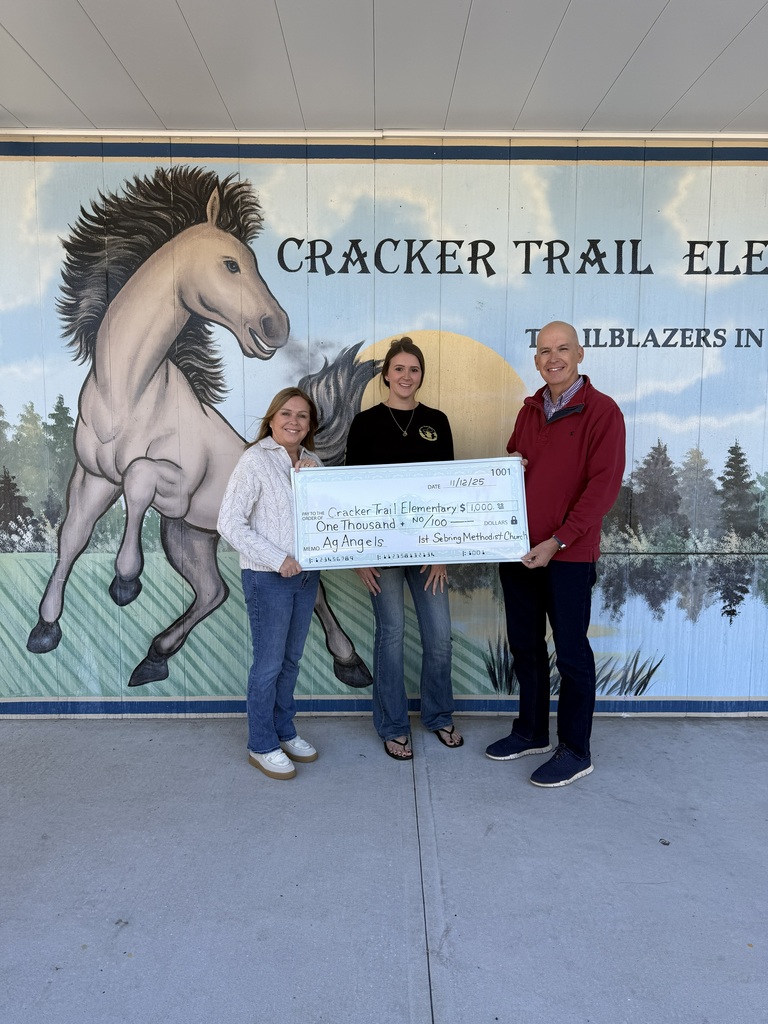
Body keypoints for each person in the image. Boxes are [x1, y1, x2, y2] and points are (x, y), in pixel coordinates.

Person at [486, 321, 625, 787]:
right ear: (536, 359)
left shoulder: (602, 412)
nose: (553, 358)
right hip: (519, 551)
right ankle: (530, 731)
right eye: (544, 350)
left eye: (562, 349)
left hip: (567, 555)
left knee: (570, 653)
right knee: (524, 645)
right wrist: (512, 466)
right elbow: (515, 463)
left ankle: (575, 749)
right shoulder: (530, 411)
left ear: (580, 354)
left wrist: (558, 540)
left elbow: (602, 489)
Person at [345, 337, 463, 760]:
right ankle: (393, 725)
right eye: (399, 369)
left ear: (421, 376)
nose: (406, 376)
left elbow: (447, 490)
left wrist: (442, 550)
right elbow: (351, 493)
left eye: (414, 369)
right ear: (386, 376)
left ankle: (439, 715)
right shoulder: (366, 424)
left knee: (439, 638)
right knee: (390, 636)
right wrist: (359, 556)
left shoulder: (437, 421)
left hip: (430, 550)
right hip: (381, 552)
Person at [218, 388, 322, 780]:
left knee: (291, 661)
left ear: (310, 425)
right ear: (272, 417)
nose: (294, 421)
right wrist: (278, 559)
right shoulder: (255, 460)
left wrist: (317, 481)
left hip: (306, 577)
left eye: (302, 416)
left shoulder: (313, 462)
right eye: (286, 414)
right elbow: (228, 523)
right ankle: (261, 744)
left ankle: (284, 729)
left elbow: (330, 515)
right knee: (268, 664)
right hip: (267, 578)